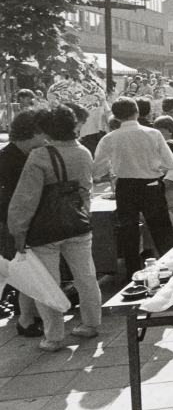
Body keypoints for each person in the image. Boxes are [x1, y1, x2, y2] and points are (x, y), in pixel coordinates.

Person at [8, 105, 102, 351]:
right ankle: (91, 324)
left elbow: (25, 199)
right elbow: (85, 190)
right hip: (78, 224)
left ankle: (53, 337)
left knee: (48, 284)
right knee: (87, 278)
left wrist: (18, 230)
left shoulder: (39, 155)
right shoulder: (83, 152)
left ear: (48, 130)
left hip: (45, 230)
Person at [93, 97, 173, 279]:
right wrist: (156, 168)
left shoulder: (110, 138)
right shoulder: (153, 134)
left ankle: (133, 275)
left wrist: (112, 169)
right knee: (162, 232)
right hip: (150, 185)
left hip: (125, 186)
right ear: (137, 112)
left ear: (115, 116)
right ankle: (172, 269)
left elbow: (96, 169)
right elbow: (171, 162)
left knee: (128, 232)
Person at [0, 110, 46, 337]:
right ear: (33, 133)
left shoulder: (15, 154)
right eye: (42, 134)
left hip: (14, 220)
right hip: (11, 222)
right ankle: (25, 319)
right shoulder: (11, 158)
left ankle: (27, 315)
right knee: (21, 266)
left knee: (22, 267)